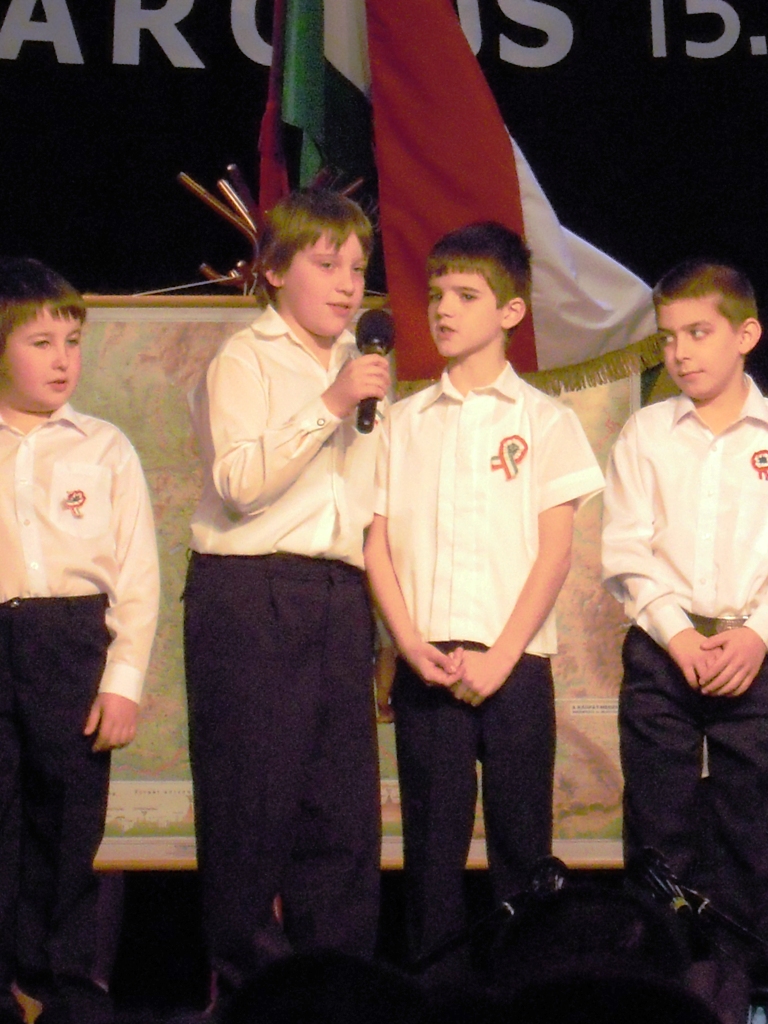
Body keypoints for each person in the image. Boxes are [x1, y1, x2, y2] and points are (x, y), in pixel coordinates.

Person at [364, 221, 604, 983]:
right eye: (437, 293)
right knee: (431, 852)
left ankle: (521, 992)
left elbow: (554, 552)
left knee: (521, 849)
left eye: (465, 295)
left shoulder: (545, 421)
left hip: (515, 662)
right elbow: (376, 544)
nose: (443, 308)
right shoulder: (402, 423)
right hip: (427, 659)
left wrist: (501, 657)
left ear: (510, 311)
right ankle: (435, 993)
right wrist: (407, 644)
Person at [183, 189, 391, 1010]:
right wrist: (330, 404)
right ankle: (251, 996)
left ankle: (335, 994)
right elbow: (239, 484)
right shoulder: (246, 359)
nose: (347, 284)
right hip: (252, 592)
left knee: (340, 815)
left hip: (337, 595)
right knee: (251, 805)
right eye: (326, 263)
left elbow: (366, 507)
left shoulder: (362, 368)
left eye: (358, 269)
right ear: (273, 271)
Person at [602, 260, 768, 1023]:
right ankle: (662, 991)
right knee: (659, 830)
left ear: (746, 334)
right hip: (663, 650)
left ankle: (740, 990)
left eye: (699, 333)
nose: (681, 352)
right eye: (669, 338)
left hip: (754, 651)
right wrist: (677, 635)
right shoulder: (647, 432)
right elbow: (626, 550)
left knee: (748, 828)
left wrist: (756, 634)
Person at [0, 258, 160, 1024]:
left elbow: (138, 577)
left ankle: (66, 985)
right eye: (41, 343)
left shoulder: (104, 447)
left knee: (69, 828)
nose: (62, 359)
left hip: (69, 644)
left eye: (72, 341)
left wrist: (122, 681)